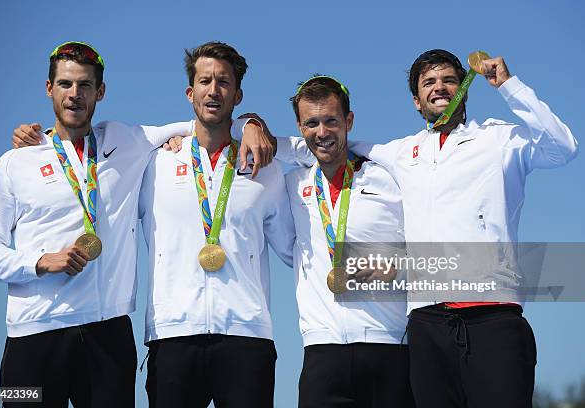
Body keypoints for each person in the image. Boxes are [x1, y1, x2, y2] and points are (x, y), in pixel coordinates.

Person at [248, 50, 578, 408]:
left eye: (449, 80)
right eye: (429, 83)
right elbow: (325, 144)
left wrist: (510, 86)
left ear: (464, 89)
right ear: (417, 102)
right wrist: (251, 127)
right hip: (426, 323)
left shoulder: (500, 140)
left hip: (493, 315)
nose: (439, 88)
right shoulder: (402, 153)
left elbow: (563, 147)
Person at [0, 41, 261, 408]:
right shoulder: (15, 162)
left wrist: (251, 122)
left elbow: (206, 120)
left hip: (107, 337)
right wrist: (38, 263)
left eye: (85, 86)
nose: (74, 95)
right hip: (32, 338)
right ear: (49, 89)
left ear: (101, 91)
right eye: (64, 84)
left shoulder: (128, 141)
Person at [137, 41, 295, 408]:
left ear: (238, 96)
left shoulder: (264, 168)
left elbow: (296, 249)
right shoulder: (153, 165)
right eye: (205, 81)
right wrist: (41, 143)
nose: (214, 90)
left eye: (223, 82)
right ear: (190, 92)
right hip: (172, 334)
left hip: (246, 336)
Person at [285, 76, 414, 407]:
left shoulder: (388, 180)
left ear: (349, 121)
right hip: (322, 352)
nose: (322, 132)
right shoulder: (290, 185)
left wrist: (396, 267)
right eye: (311, 123)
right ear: (299, 127)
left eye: (331, 120)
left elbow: (425, 251)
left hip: (390, 348)